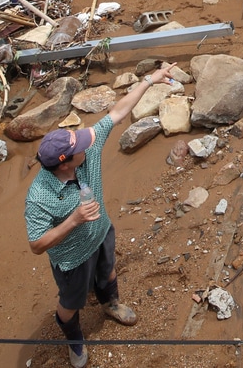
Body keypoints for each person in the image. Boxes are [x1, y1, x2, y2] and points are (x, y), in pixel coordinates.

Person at [26, 65, 174, 367]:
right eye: (79, 145)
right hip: (72, 258)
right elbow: (37, 244)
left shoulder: (86, 152)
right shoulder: (39, 197)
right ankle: (75, 342)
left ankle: (110, 303)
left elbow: (117, 113)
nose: (87, 141)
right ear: (65, 164)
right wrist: (74, 220)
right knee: (70, 305)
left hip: (102, 232)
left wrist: (149, 80)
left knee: (108, 273)